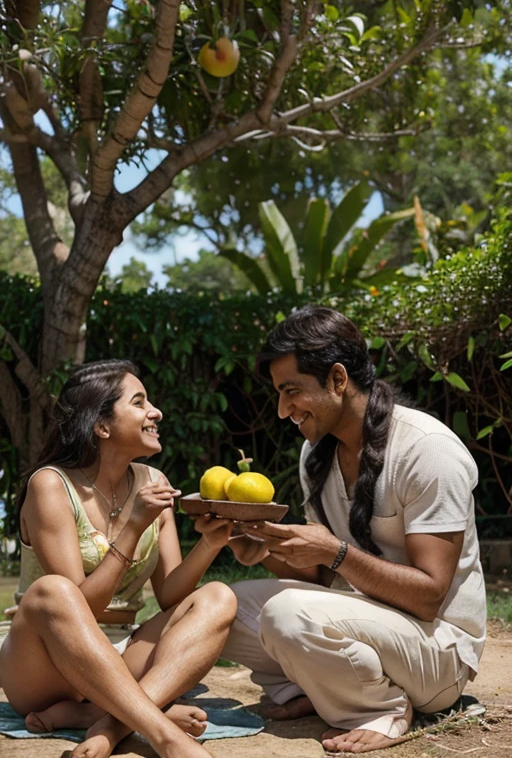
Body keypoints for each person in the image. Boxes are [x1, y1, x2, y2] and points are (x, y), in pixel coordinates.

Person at [221, 304, 486, 754]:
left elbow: (429, 596)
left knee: (287, 614)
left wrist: (336, 552)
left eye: (291, 392)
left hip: (438, 652)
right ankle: (312, 689)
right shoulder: (316, 456)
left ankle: (380, 709)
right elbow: (322, 578)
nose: (284, 410)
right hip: (370, 625)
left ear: (338, 379)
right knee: (223, 606)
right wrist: (265, 548)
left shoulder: (428, 450)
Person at [0, 359, 238, 758]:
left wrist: (212, 543)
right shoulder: (50, 486)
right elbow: (78, 607)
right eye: (140, 402)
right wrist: (132, 528)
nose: (156, 412)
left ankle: (108, 720)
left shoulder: (154, 483)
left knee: (218, 597)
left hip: (125, 654)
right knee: (53, 591)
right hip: (45, 663)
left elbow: (169, 597)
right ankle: (165, 736)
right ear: (102, 425)